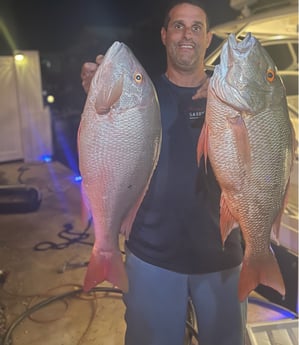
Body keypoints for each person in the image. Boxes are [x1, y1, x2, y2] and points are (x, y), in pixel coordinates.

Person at [81, 1, 247, 344]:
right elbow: (102, 151)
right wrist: (96, 94)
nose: (187, 34)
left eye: (196, 27)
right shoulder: (140, 93)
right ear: (164, 34)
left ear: (208, 38)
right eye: (178, 26)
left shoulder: (230, 96)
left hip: (223, 255)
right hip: (151, 257)